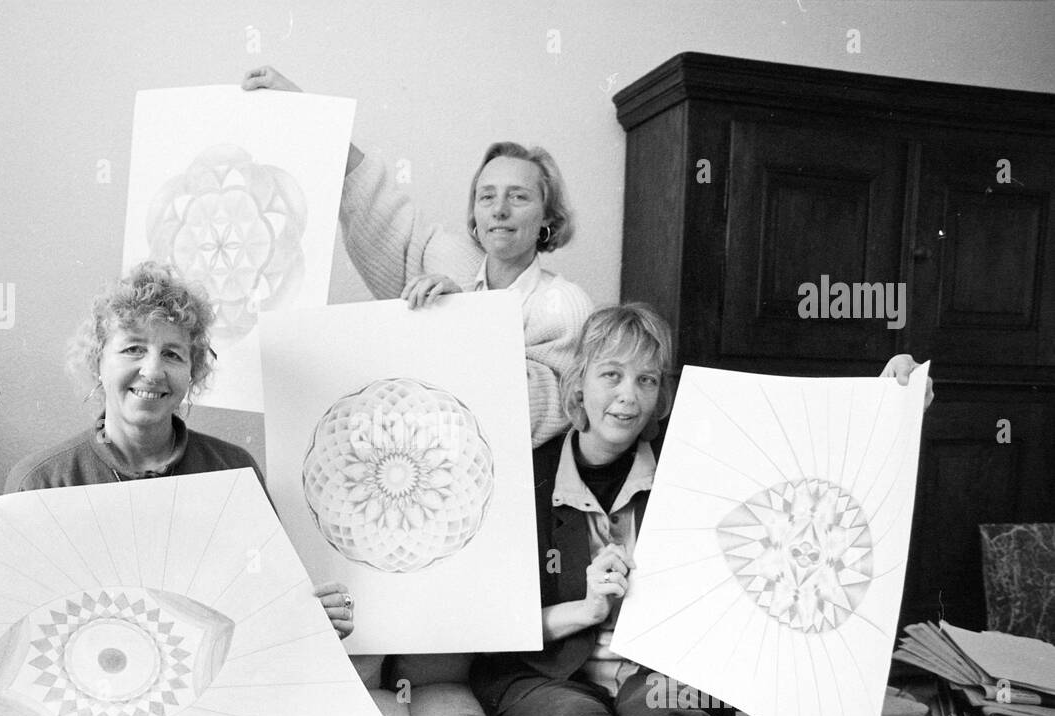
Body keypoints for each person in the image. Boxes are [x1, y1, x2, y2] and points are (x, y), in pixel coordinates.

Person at [0, 261, 509, 716]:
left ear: (193, 372)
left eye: (173, 354)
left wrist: (309, 615)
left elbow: (268, 608)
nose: (152, 370)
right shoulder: (42, 480)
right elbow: (5, 638)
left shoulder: (232, 470)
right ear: (97, 361)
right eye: (133, 348)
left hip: (236, 707)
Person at [241, 66, 935, 444]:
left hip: (510, 482)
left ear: (548, 217)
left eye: (519, 197)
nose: (499, 209)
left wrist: (455, 333)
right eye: (486, 196)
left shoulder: (563, 304)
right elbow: (372, 206)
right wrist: (315, 121)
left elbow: (550, 405)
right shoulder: (440, 256)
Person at [469, 303, 789, 716]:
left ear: (661, 397)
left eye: (646, 380)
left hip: (656, 666)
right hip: (540, 674)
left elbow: (796, 463)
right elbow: (494, 623)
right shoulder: (520, 478)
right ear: (579, 384)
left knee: (665, 711)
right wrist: (585, 609)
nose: (628, 395)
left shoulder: (690, 474)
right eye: (611, 375)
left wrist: (895, 400)